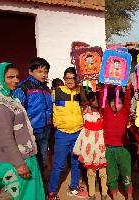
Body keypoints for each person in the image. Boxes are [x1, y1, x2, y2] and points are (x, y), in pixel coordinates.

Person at [0, 62, 45, 199]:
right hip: (15, 162)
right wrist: (19, 165)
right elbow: (5, 139)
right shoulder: (0, 105)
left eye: (17, 77)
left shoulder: (9, 99)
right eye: (10, 77)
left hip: (26, 157)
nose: (16, 81)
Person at [48, 67, 87, 199]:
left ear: (76, 79)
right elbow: (48, 108)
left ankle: (74, 187)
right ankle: (52, 192)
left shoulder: (80, 91)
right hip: (62, 134)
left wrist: (82, 87)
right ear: (64, 79)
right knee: (58, 165)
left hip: (77, 133)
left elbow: (86, 102)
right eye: (67, 78)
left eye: (72, 78)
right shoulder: (56, 91)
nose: (70, 81)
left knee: (76, 162)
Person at [13, 57, 53, 175]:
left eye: (46, 71)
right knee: (30, 163)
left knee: (41, 161)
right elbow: (17, 112)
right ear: (31, 71)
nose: (44, 74)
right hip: (30, 133)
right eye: (40, 71)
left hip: (45, 131)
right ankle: (32, 190)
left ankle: (40, 188)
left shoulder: (46, 88)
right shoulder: (23, 88)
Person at [73, 91, 108, 200]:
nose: (96, 101)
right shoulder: (85, 112)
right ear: (89, 101)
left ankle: (104, 193)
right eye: (93, 99)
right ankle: (92, 194)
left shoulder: (103, 113)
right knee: (91, 173)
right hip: (89, 147)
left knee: (103, 173)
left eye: (97, 99)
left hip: (101, 146)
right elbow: (82, 97)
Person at [101, 85, 133, 200]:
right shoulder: (106, 112)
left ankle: (129, 194)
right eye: (113, 102)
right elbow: (103, 97)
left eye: (119, 103)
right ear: (109, 103)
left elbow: (128, 102)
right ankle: (114, 194)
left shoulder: (124, 112)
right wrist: (106, 85)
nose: (116, 105)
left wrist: (128, 89)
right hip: (109, 150)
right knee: (112, 174)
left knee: (126, 173)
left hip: (123, 149)